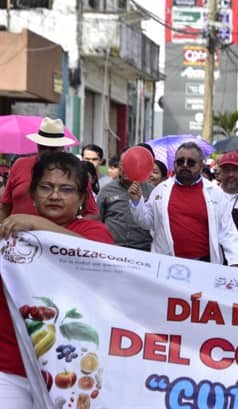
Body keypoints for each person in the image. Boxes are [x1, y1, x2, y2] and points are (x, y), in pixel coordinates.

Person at [0, 151, 113, 408]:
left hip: (70, 371)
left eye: (66, 189)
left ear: (82, 198)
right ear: (32, 194)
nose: (54, 196)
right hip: (9, 367)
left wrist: (36, 223)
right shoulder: (10, 231)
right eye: (46, 187)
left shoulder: (93, 232)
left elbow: (96, 255)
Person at [128, 142, 238, 266]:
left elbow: (228, 233)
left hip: (203, 265)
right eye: (180, 161)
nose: (185, 165)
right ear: (174, 164)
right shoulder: (160, 190)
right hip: (167, 264)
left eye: (191, 162)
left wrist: (235, 263)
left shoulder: (215, 193)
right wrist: (136, 201)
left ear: (200, 166)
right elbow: (146, 222)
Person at [0, 117, 99, 222]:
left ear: (62, 147)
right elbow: (5, 206)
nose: (47, 152)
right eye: (43, 147)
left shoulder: (77, 170)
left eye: (53, 148)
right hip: (18, 235)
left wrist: (68, 233)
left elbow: (92, 213)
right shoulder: (20, 164)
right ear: (37, 145)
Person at [97, 151, 154, 251]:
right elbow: (98, 220)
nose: (125, 168)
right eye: (122, 164)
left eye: (130, 164)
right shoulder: (106, 190)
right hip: (113, 249)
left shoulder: (151, 191)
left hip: (143, 250)